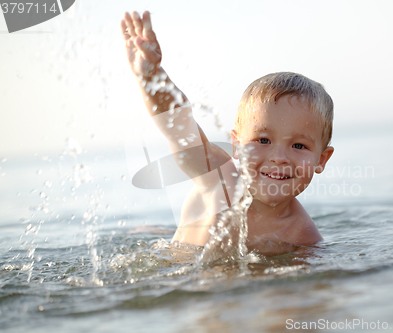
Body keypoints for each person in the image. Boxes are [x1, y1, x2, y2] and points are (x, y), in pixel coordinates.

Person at [121, 11, 334, 256]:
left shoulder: (303, 234)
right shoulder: (219, 180)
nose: (279, 157)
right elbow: (180, 130)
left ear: (321, 160)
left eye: (298, 146)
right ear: (237, 146)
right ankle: (150, 232)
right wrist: (151, 76)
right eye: (262, 140)